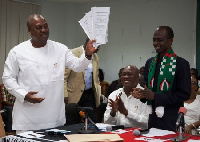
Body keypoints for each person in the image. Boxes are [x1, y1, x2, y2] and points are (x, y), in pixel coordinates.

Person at [2, 14, 96, 134]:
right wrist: (24, 95)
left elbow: (78, 66)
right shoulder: (17, 52)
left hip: (54, 118)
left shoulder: (60, 49)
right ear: (29, 31)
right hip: (28, 119)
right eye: (38, 27)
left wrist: (87, 55)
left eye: (46, 26)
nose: (44, 30)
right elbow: (7, 78)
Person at [133, 26, 191, 131]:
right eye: (154, 40)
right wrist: (142, 94)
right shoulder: (150, 62)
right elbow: (148, 90)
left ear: (170, 40)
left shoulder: (181, 64)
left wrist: (155, 96)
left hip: (172, 120)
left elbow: (184, 94)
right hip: (152, 119)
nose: (156, 43)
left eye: (160, 40)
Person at [64, 38, 101, 123]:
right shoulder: (73, 53)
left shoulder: (95, 56)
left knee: (92, 121)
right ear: (87, 43)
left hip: (89, 93)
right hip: (73, 94)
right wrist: (65, 95)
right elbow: (64, 77)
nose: (97, 48)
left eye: (99, 45)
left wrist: (99, 93)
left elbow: (96, 76)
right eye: (95, 45)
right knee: (73, 122)